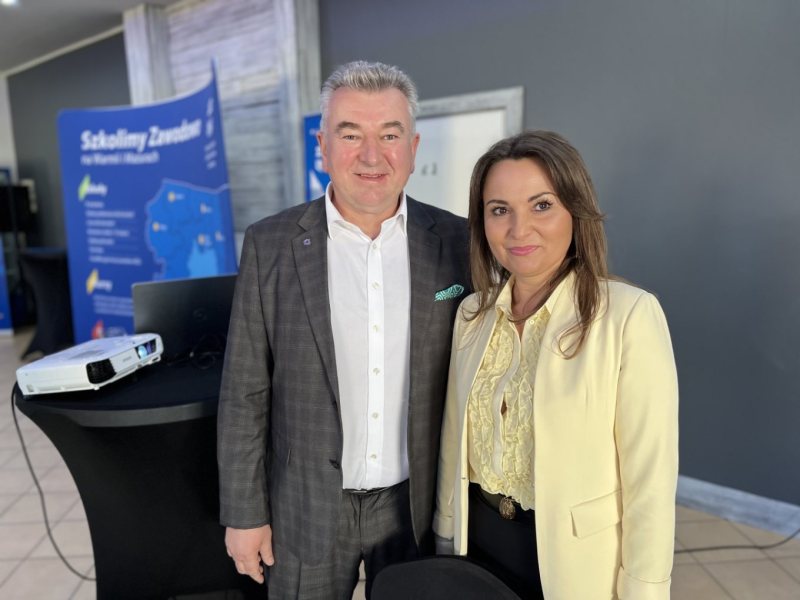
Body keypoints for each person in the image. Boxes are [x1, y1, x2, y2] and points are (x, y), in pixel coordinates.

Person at [217, 61, 470, 599]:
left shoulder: (458, 242)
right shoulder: (270, 244)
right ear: (323, 147)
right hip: (304, 504)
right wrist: (244, 513)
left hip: (414, 506)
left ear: (413, 147)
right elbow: (244, 392)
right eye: (351, 134)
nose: (372, 156)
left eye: (390, 135)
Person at [433, 130, 678, 599]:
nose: (519, 229)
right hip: (477, 544)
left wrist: (645, 590)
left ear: (575, 210)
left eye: (541, 205)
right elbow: (451, 438)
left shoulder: (628, 316)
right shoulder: (471, 313)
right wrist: (445, 535)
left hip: (574, 561)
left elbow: (650, 480)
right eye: (499, 210)